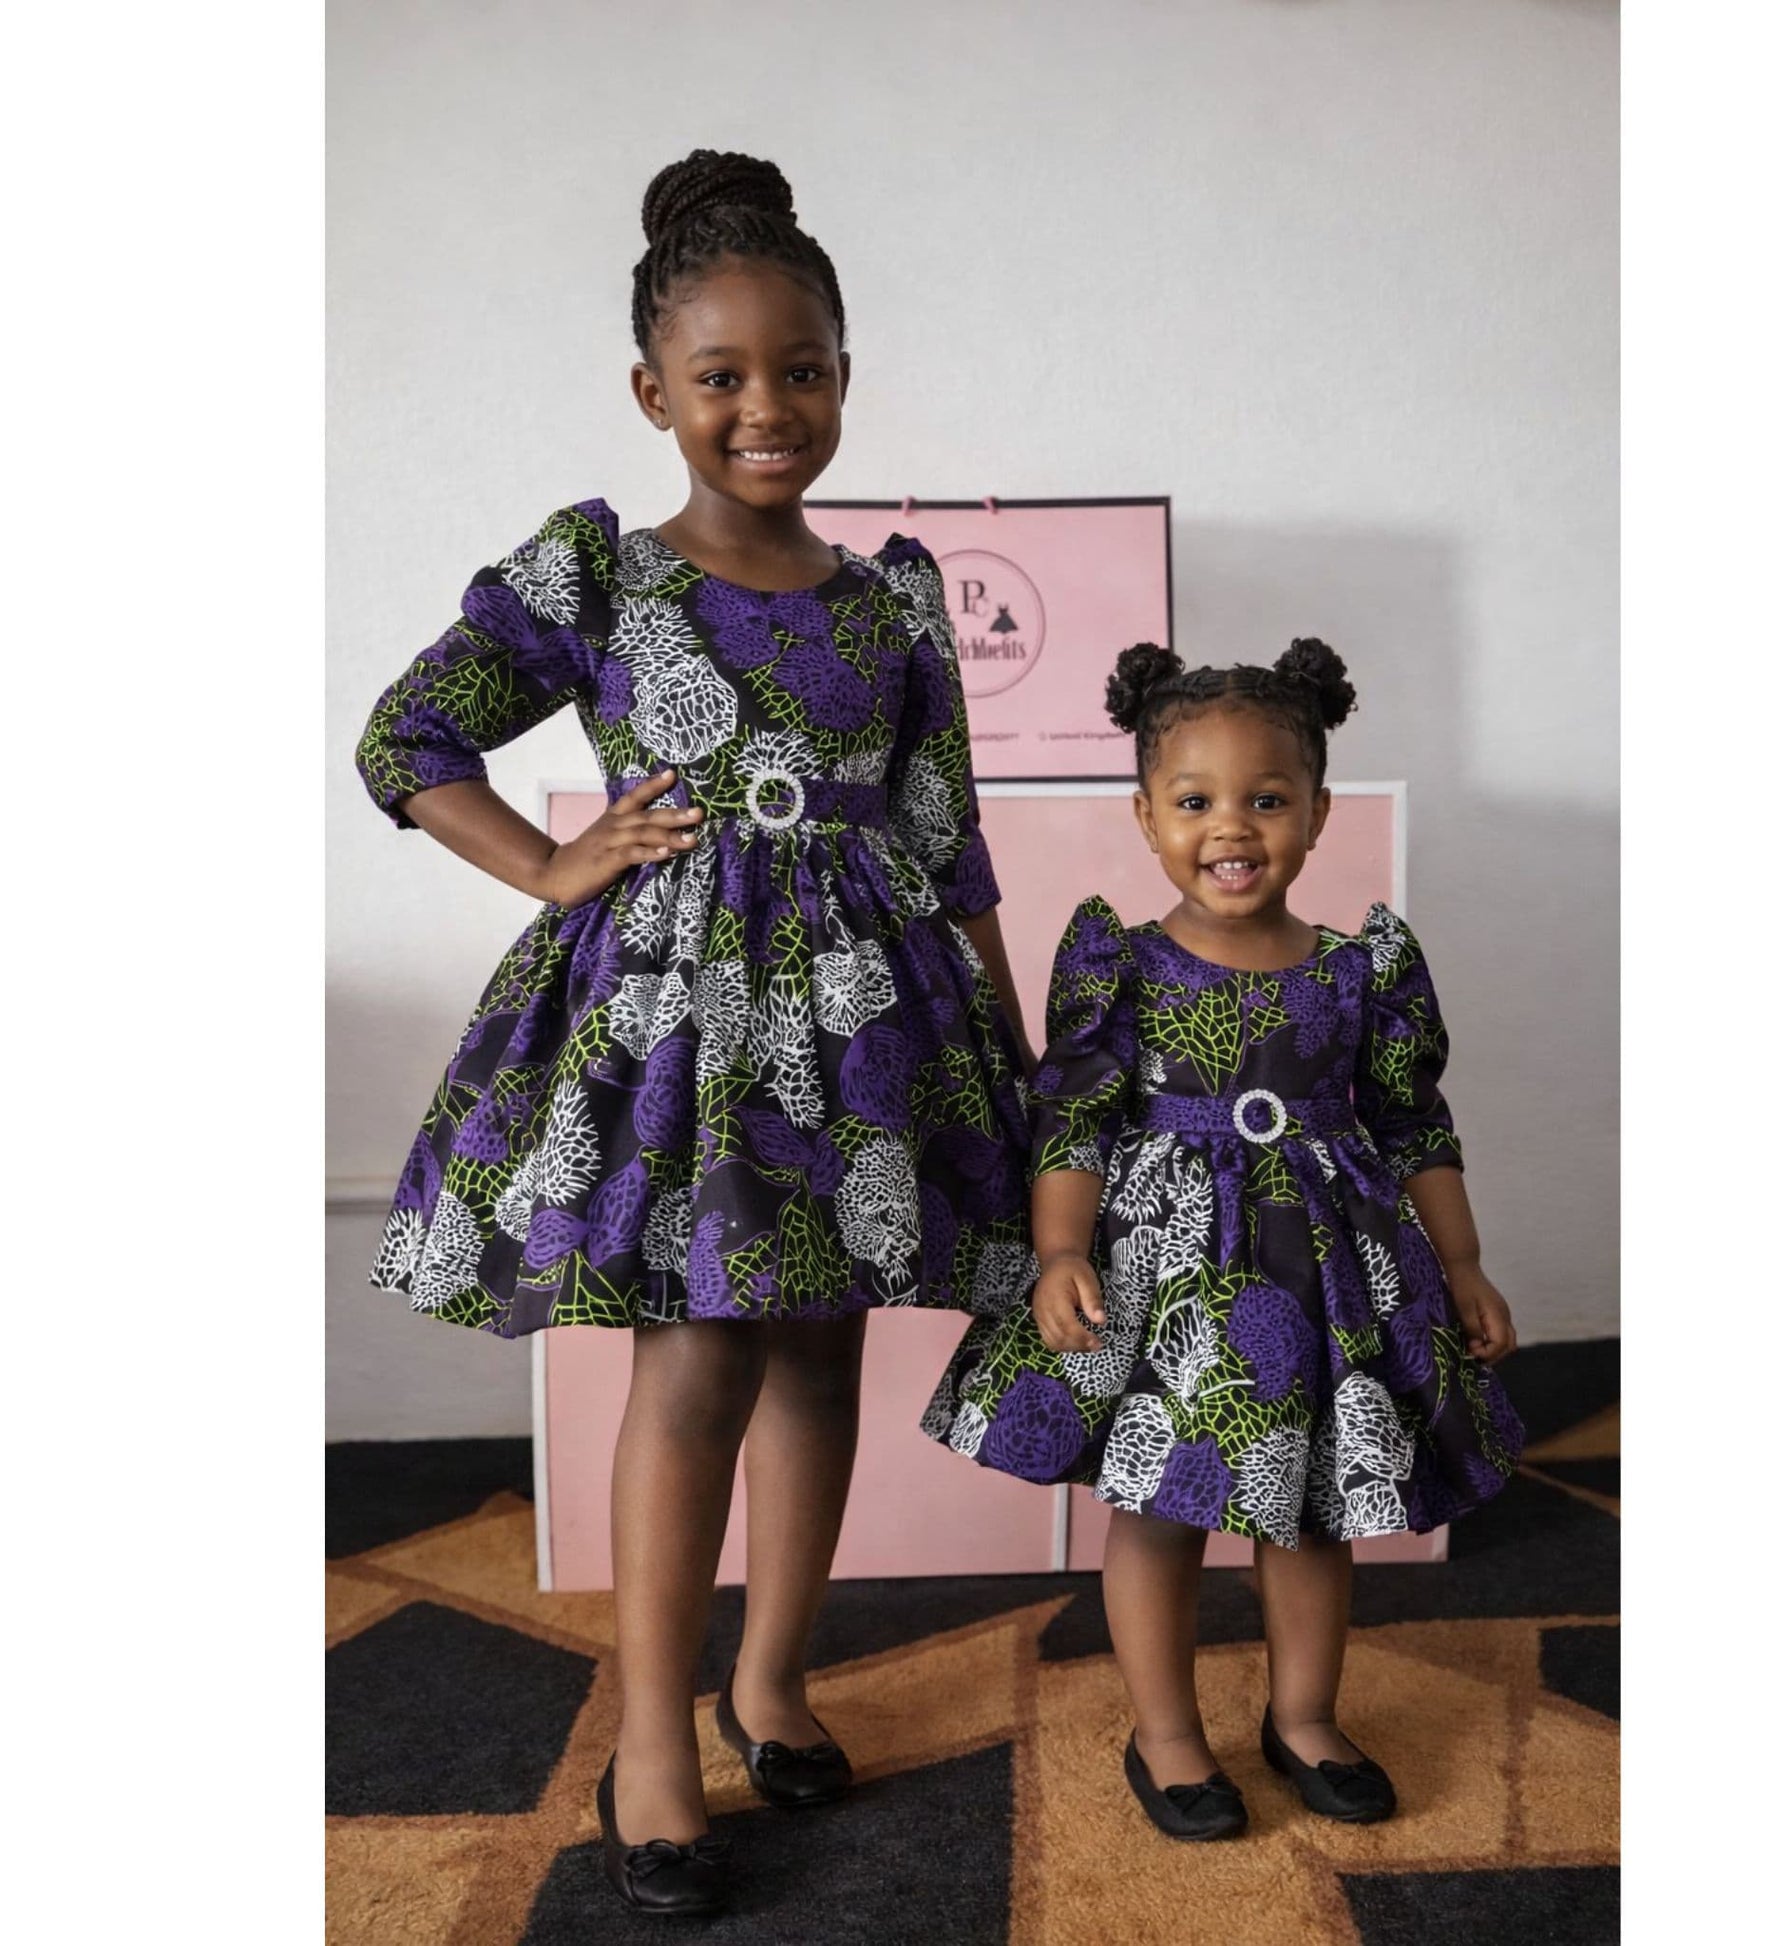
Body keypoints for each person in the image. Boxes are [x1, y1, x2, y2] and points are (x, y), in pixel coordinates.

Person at [354, 149, 1032, 1915]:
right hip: (684, 1034)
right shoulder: (600, 575)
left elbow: (950, 843)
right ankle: (651, 1740)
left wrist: (1015, 1065)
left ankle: (772, 1682)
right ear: (655, 392)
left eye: (799, 369)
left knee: (820, 1353)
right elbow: (409, 736)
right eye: (721, 375)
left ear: (845, 374)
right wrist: (550, 865)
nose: (765, 407)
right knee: (697, 1362)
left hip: (869, 1032)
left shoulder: (893, 598)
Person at [924, 637, 1522, 1839]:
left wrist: (1460, 1261)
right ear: (1145, 816)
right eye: (1193, 801)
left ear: (1316, 813)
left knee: (1310, 1506)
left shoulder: (1360, 971)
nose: (1230, 827)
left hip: (1323, 1279)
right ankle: (1167, 1732)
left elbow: (1413, 1123)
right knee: (1160, 1503)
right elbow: (1073, 1117)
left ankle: (1303, 1716)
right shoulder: (1121, 963)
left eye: (1266, 799)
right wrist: (1059, 1250)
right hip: (1168, 1280)